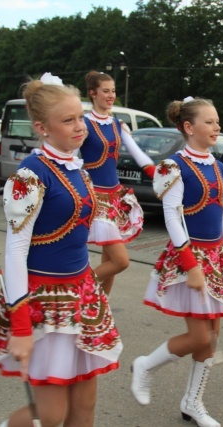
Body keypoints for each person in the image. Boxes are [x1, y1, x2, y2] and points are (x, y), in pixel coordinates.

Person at [0, 73, 122, 427]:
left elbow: (83, 223)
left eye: (80, 117)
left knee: (85, 405)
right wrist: (21, 325)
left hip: (82, 293)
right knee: (52, 413)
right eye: (67, 120)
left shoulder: (78, 169)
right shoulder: (30, 176)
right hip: (45, 299)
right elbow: (15, 252)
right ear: (42, 127)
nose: (79, 126)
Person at [130, 97, 223, 427]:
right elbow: (172, 217)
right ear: (188, 127)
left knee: (213, 336)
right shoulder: (174, 166)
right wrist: (191, 264)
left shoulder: (221, 167)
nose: (217, 127)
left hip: (217, 257)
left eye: (217, 121)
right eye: (209, 122)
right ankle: (145, 366)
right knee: (198, 338)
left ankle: (193, 402)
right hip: (189, 257)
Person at [80, 71, 155, 295]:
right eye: (106, 91)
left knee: (110, 262)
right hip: (96, 197)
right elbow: (74, 159)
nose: (111, 95)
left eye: (113, 91)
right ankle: (76, 288)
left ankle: (101, 311)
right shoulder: (83, 123)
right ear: (93, 93)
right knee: (121, 261)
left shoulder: (116, 123)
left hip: (115, 197)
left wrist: (158, 175)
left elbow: (138, 154)